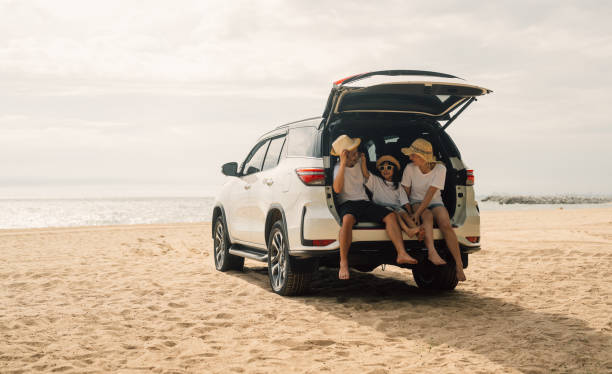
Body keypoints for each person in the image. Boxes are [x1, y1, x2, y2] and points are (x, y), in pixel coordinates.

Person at [331, 135, 418, 280]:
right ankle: (344, 262)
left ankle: (401, 253)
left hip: (364, 201)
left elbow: (366, 177)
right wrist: (342, 164)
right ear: (344, 154)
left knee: (390, 216)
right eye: (353, 152)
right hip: (348, 204)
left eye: (356, 151)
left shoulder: (359, 162)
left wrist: (363, 161)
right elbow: (338, 189)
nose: (356, 154)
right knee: (347, 222)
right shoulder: (337, 168)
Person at [400, 138, 467, 282]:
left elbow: (431, 193)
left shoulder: (440, 169)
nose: (410, 157)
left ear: (422, 157)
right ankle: (432, 252)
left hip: (434, 200)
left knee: (445, 224)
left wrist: (417, 213)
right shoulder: (410, 168)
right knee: (428, 216)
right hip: (416, 201)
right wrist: (410, 211)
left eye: (413, 155)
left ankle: (459, 265)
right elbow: (405, 191)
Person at [359, 153, 423, 239]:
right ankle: (408, 230)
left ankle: (416, 230)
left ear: (394, 170)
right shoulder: (376, 181)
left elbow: (405, 202)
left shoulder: (399, 185)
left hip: (397, 208)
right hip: (382, 208)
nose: (385, 170)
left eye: (389, 167)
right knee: (393, 213)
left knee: (404, 213)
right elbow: (366, 174)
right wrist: (363, 161)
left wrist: (411, 214)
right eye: (382, 168)